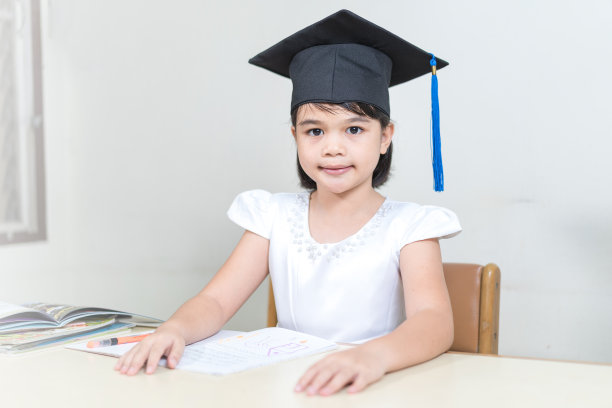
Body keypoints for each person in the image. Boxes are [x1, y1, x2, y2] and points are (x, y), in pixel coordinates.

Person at [115, 9, 462, 396]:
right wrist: (174, 330)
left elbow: (433, 321)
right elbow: (214, 300)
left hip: (371, 383)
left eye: (354, 129)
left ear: (385, 138)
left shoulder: (411, 227)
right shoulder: (273, 216)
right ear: (294, 136)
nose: (332, 147)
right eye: (315, 130)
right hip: (289, 386)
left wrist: (372, 357)